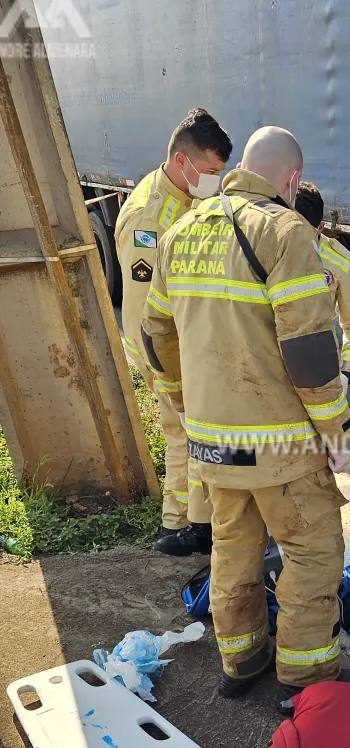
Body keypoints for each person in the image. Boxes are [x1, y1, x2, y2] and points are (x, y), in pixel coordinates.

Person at [141, 126, 350, 708]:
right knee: (312, 554)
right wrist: (338, 436)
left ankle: (241, 661)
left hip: (216, 449)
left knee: (233, 552)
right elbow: (312, 358)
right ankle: (307, 679)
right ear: (292, 180)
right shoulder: (286, 232)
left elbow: (154, 335)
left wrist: (188, 405)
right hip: (280, 450)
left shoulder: (180, 231)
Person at [115, 108, 233, 555]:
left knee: (194, 432)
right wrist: (168, 372)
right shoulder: (150, 218)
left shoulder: (187, 193)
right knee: (182, 432)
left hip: (191, 343)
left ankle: (196, 518)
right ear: (182, 162)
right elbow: (148, 314)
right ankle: (176, 524)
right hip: (163, 350)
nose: (214, 182)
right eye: (209, 172)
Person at [294, 183, 350, 392]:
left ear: (321, 228)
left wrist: (347, 372)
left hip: (317, 366)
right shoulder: (267, 248)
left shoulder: (342, 263)